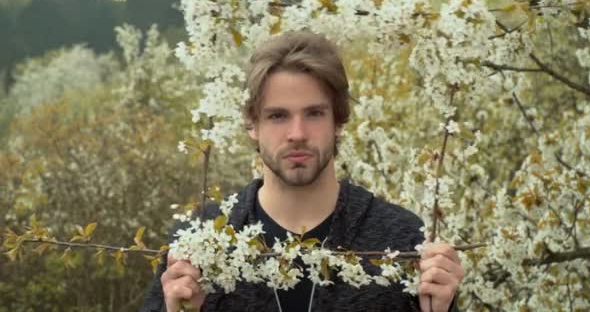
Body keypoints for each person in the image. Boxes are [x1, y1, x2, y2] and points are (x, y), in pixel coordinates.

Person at [141, 31, 464, 312]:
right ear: (252, 125)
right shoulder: (200, 240)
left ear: (338, 121)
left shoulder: (400, 236)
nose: (297, 133)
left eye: (313, 113)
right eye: (278, 116)